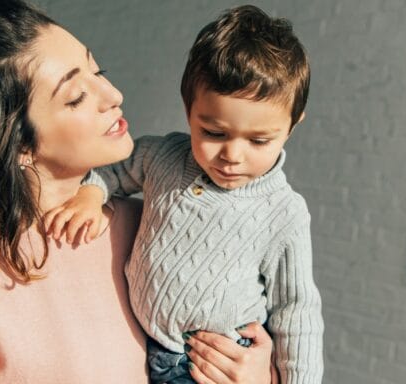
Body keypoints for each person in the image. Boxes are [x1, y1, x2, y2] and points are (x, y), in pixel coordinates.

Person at [0, 0, 277, 382]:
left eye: (99, 71)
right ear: (18, 145)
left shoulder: (151, 223)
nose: (112, 95)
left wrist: (259, 376)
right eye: (76, 96)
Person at [46, 5, 324, 383]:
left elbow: (297, 310)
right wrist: (91, 195)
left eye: (259, 140)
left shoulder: (284, 212)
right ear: (189, 110)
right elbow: (114, 171)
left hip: (212, 366)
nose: (232, 155)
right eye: (213, 133)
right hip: (146, 347)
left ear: (292, 124)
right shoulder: (162, 156)